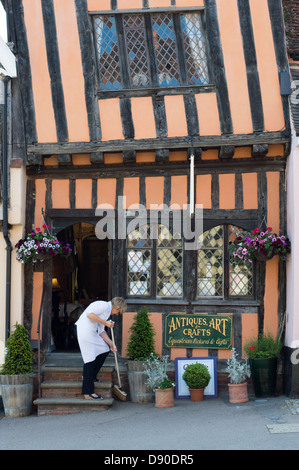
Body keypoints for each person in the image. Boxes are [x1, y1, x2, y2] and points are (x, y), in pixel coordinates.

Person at [75, 297, 127, 400]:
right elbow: (89, 315)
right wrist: (106, 323)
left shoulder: (107, 313)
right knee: (90, 358)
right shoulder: (102, 305)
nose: (117, 314)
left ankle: (90, 376)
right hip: (84, 331)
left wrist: (111, 344)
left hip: (92, 333)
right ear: (117, 307)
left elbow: (101, 331)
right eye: (118, 311)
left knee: (105, 349)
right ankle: (88, 392)